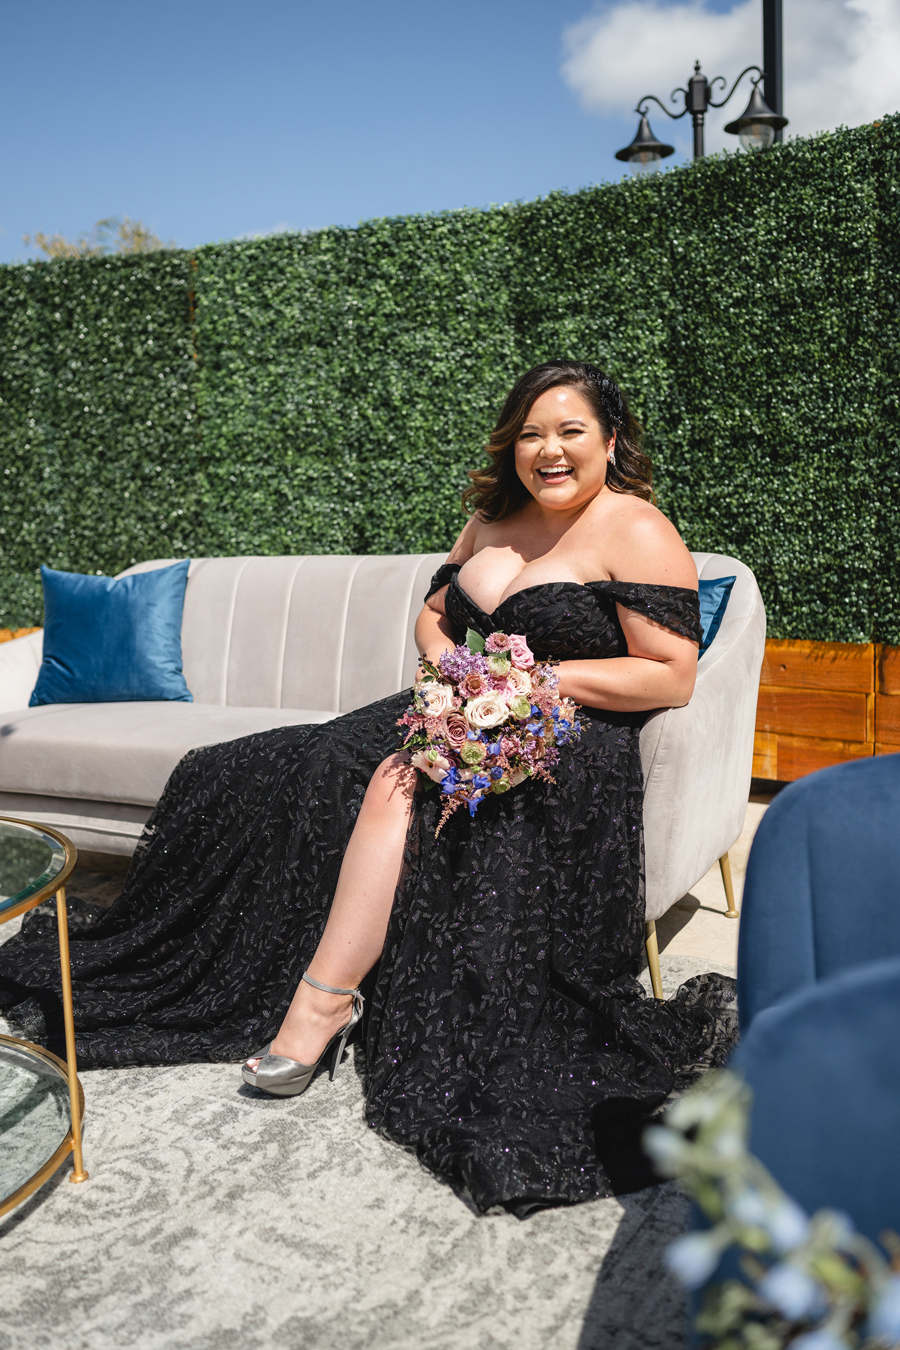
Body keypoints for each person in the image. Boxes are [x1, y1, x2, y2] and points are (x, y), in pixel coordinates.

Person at [0, 360, 736, 1215]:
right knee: (274, 764)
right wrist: (456, 670)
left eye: (571, 431)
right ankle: (257, 962)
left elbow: (670, 672)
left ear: (610, 441)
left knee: (401, 779)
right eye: (531, 433)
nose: (549, 451)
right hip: (459, 700)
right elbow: (434, 614)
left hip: (564, 732)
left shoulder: (635, 527)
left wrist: (530, 684)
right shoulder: (490, 519)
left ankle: (319, 1009)